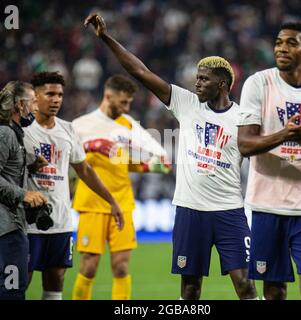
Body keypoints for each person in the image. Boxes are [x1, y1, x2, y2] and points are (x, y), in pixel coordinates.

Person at [82, 13, 258, 300]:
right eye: (196, 77)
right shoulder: (186, 103)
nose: (197, 83)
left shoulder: (243, 117)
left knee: (246, 286)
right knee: (190, 289)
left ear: (223, 84)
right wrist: (105, 38)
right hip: (190, 211)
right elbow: (141, 72)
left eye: (204, 79)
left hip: (230, 212)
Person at [237, 22, 301, 300]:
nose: (281, 48)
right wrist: (284, 134)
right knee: (274, 292)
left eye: (290, 43)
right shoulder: (258, 83)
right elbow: (245, 144)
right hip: (266, 206)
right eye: (278, 42)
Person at [24, 71, 124, 300]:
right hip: (27, 223)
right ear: (35, 97)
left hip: (60, 221)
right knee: (21, 282)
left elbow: (85, 170)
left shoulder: (68, 130)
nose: (56, 99)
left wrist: (111, 201)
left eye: (59, 94)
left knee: (55, 282)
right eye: (50, 94)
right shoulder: (21, 131)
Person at [72, 74, 170, 300]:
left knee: (121, 268)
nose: (126, 107)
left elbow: (163, 163)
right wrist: (93, 146)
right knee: (88, 267)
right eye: (123, 102)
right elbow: (67, 158)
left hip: (123, 204)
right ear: (108, 96)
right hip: (91, 204)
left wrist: (131, 158)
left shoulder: (129, 126)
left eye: (129, 103)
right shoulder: (81, 125)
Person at [0, 81, 48, 300]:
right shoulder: (5, 134)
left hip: (12, 223)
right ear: (20, 105)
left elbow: (7, 173)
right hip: (6, 227)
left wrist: (29, 167)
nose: (36, 108)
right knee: (12, 291)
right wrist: (24, 195)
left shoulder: (14, 134)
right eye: (33, 102)